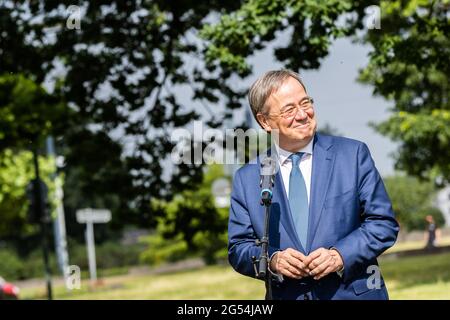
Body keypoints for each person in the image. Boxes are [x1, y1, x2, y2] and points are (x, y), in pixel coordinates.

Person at [228, 69, 399, 300]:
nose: (302, 114)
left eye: (305, 103)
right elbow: (238, 248)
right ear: (264, 121)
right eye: (289, 109)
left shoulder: (353, 155)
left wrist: (340, 255)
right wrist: (273, 261)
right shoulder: (247, 178)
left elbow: (383, 224)